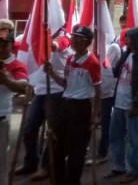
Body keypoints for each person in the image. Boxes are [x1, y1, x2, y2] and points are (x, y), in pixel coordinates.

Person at [45, 25, 101, 185]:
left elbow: (98, 90)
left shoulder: (92, 62)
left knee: (77, 150)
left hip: (81, 109)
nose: (74, 41)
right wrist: (51, 73)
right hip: (65, 106)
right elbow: (66, 84)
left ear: (87, 42)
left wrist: (96, 114)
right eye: (73, 37)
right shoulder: (70, 58)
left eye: (78, 39)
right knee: (58, 147)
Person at [16, 32, 69, 181]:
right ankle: (30, 161)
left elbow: (60, 44)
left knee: (52, 133)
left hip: (55, 91)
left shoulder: (65, 36)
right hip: (38, 90)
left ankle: (46, 166)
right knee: (29, 128)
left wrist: (48, 42)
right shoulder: (34, 33)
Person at [104, 27, 138, 184]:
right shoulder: (126, 54)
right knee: (115, 136)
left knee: (133, 140)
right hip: (119, 103)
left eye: (130, 38)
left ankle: (133, 170)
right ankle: (119, 166)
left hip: (133, 105)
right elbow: (116, 72)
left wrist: (137, 104)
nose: (126, 41)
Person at [0, 32, 29, 185]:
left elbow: (23, 87)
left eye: (4, 45)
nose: (0, 48)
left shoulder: (17, 65)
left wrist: (6, 80)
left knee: (1, 163)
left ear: (11, 45)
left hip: (1, 118)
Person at [88, 37, 119, 166]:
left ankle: (103, 152)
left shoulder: (112, 49)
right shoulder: (90, 55)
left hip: (107, 93)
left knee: (106, 122)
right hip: (93, 94)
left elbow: (108, 72)